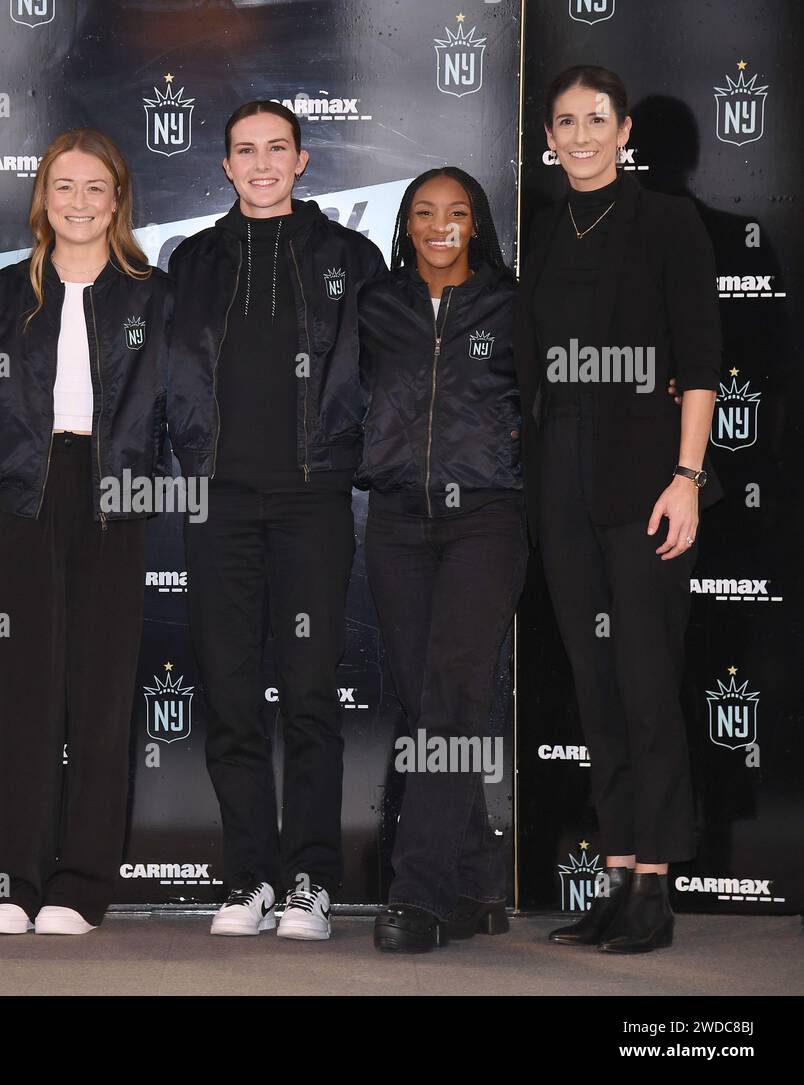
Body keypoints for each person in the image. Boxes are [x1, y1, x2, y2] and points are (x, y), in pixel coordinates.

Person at [166, 101, 387, 940]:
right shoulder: (191, 261)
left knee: (309, 699)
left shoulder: (349, 257)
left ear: (302, 161)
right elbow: (158, 376)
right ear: (225, 166)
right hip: (216, 503)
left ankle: (310, 881)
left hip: (313, 502)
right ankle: (248, 878)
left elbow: (393, 370)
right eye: (244, 151)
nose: (261, 164)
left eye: (276, 150)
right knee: (227, 696)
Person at [517, 66, 721, 953]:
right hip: (558, 472)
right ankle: (616, 873)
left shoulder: (668, 222)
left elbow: (703, 359)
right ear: (550, 140)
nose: (583, 134)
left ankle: (655, 887)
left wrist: (687, 475)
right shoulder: (546, 229)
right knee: (594, 687)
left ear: (624, 130)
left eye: (597, 119)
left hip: (644, 475)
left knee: (645, 680)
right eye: (567, 122)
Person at [0, 129, 172, 936]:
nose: (80, 202)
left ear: (118, 198)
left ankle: (80, 884)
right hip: (25, 492)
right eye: (64, 186)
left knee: (100, 694)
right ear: (42, 198)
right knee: (22, 693)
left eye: (96, 187)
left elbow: (181, 405)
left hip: (114, 495)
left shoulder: (153, 294)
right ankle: (12, 880)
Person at [357, 167, 524, 952]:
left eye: (457, 212)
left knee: (453, 700)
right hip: (394, 521)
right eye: (424, 212)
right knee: (430, 707)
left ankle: (417, 897)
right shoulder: (377, 305)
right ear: (407, 224)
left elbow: (557, 401)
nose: (439, 224)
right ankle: (479, 879)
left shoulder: (511, 304)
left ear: (478, 224)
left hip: (485, 523)